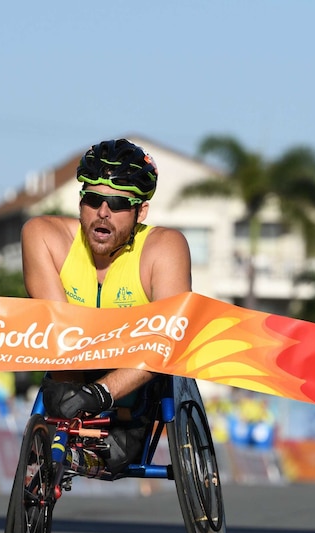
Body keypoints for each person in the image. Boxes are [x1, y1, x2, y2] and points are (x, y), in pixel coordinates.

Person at [20, 138, 191, 475]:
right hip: (71, 366)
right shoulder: (43, 235)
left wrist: (100, 393)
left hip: (135, 383)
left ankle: (102, 444)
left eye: (117, 203)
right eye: (93, 199)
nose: (103, 212)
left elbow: (169, 341)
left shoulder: (164, 248)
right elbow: (57, 330)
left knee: (120, 441)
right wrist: (77, 393)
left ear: (141, 211)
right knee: (59, 393)